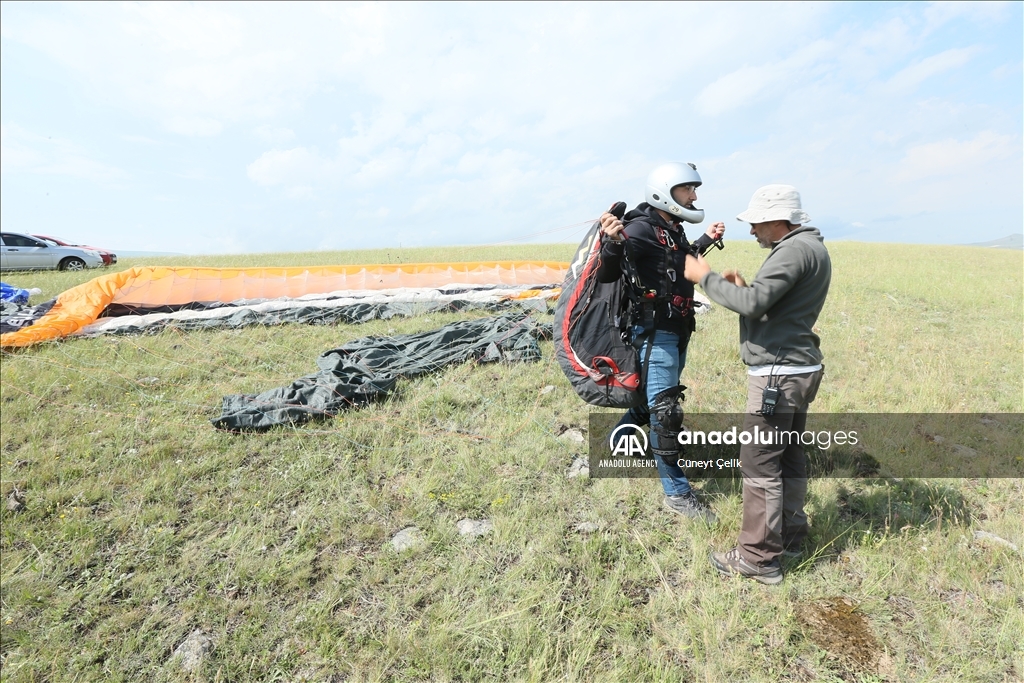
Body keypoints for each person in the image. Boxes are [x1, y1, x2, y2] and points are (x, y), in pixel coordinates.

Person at [683, 184, 832, 584]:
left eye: (756, 224)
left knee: (760, 463)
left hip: (777, 375)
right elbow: (770, 304)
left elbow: (752, 307)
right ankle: (792, 534)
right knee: (788, 456)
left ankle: (757, 558)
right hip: (798, 368)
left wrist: (706, 277)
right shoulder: (808, 248)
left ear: (777, 219)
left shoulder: (793, 251)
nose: (752, 231)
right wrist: (741, 288)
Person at [596, 162, 725, 523]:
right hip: (655, 332)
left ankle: (617, 440)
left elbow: (676, 260)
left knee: (651, 399)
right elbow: (608, 273)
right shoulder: (637, 229)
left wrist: (706, 241)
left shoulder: (670, 229)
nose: (694, 196)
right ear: (666, 191)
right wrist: (611, 242)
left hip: (679, 328)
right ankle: (678, 494)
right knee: (665, 413)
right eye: (687, 190)